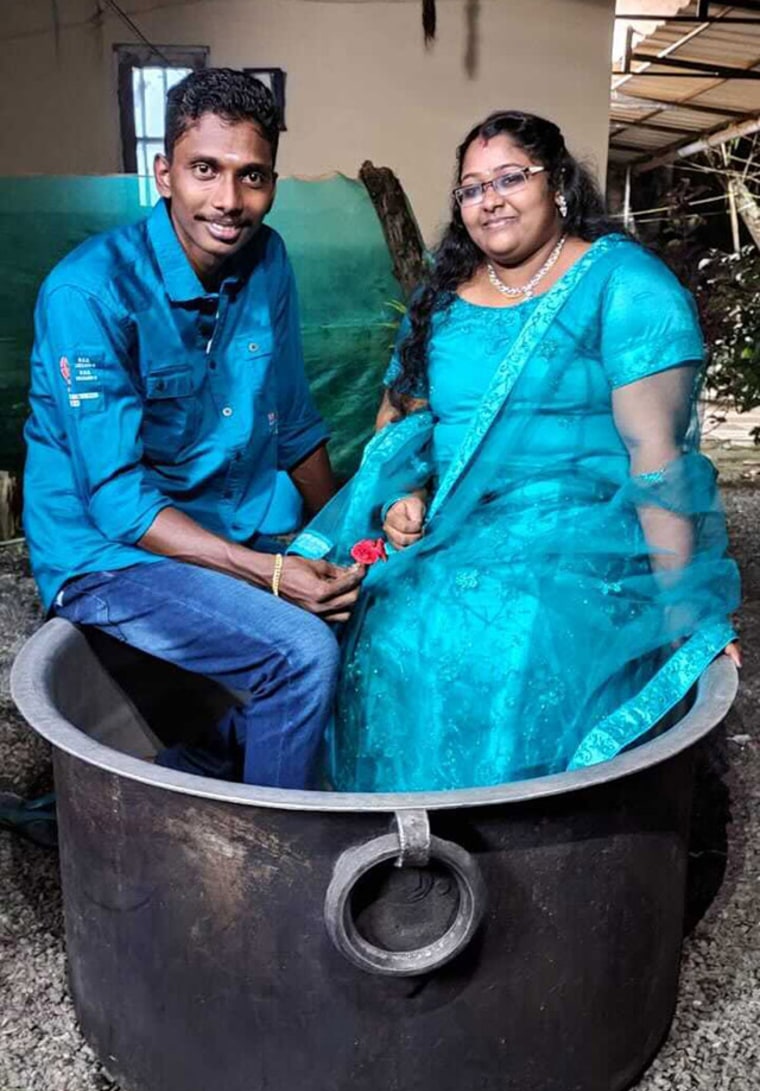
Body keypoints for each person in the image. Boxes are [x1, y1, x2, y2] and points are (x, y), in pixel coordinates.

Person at [290, 110, 741, 793]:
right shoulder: (440, 302)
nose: (489, 199)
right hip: (459, 529)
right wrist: (403, 499)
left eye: (510, 178)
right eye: (471, 188)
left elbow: (659, 461)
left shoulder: (623, 287)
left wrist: (684, 611)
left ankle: (522, 847)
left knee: (511, 641)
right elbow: (406, 433)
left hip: (586, 531)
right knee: (391, 630)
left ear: (557, 182)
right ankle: (406, 842)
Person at [23, 68, 364, 790]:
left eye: (253, 177)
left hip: (220, 519)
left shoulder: (267, 259)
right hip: (108, 551)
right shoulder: (88, 292)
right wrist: (274, 573)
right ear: (164, 173)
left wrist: (344, 532)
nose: (230, 202)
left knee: (362, 600)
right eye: (205, 170)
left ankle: (192, 775)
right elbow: (117, 502)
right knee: (299, 653)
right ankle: (268, 862)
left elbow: (295, 420)